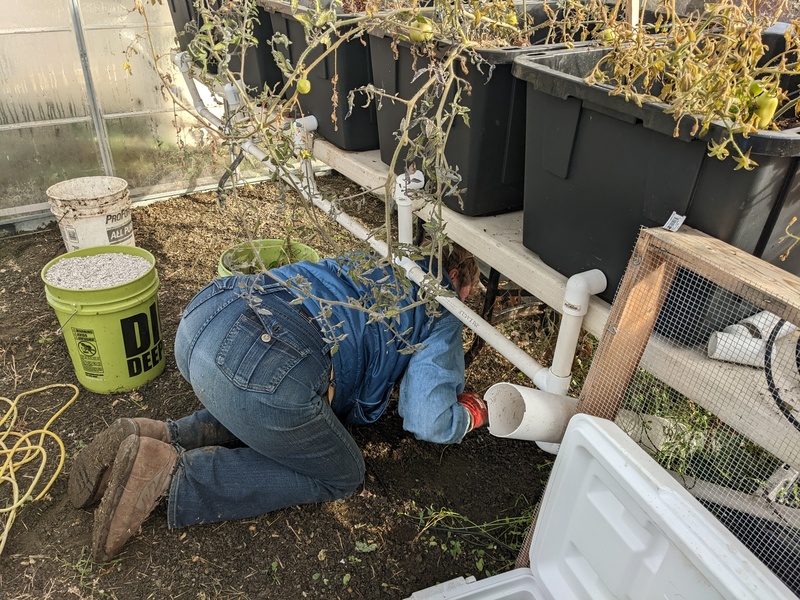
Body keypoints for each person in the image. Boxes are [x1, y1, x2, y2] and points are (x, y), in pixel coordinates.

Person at [68, 244, 487, 561]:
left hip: (205, 317)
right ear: (455, 275)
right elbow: (428, 420)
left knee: (264, 393)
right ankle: (168, 474)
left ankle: (157, 434)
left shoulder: (376, 253)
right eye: (468, 294)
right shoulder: (441, 304)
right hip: (263, 363)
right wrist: (469, 412)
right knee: (342, 474)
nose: (463, 303)